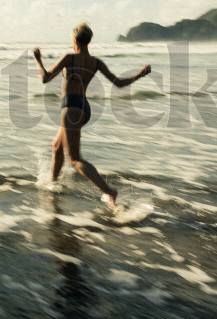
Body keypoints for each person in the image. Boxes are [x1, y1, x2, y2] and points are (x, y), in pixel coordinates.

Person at [33, 22, 151, 208]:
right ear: (88, 41)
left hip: (71, 108)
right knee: (56, 146)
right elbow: (119, 83)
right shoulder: (96, 62)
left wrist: (38, 59)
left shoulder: (69, 58)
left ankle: (109, 191)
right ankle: (53, 185)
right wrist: (140, 74)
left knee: (74, 159)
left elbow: (44, 78)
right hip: (83, 108)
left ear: (74, 41)